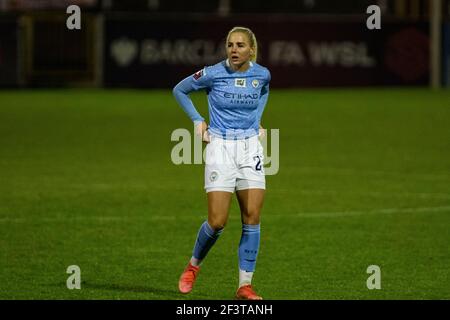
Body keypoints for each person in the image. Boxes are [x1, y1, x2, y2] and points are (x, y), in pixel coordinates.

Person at [172, 26, 271, 300]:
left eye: (240, 45)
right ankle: (193, 266)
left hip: (251, 147)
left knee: (252, 215)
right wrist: (197, 120)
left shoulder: (261, 74)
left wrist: (256, 119)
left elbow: (264, 91)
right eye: (230, 45)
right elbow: (180, 90)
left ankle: (244, 286)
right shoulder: (213, 73)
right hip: (221, 147)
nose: (234, 50)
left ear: (251, 49)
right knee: (217, 222)